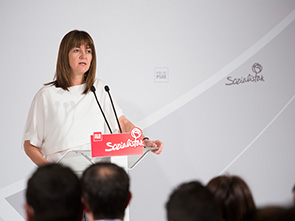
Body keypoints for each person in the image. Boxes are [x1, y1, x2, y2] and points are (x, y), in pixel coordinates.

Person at [22, 30, 163, 172]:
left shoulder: (99, 89)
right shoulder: (46, 96)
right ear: (65, 55)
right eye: (77, 50)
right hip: (64, 179)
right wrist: (51, 172)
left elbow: (122, 123)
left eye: (88, 51)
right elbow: (30, 144)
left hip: (98, 176)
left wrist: (144, 141)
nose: (84, 55)